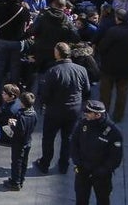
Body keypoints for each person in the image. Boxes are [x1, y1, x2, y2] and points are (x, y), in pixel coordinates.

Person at [35, 41, 91, 175]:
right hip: (74, 110)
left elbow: (45, 93)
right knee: (68, 138)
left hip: (55, 110)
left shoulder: (53, 71)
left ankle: (45, 163)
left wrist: (42, 104)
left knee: (48, 138)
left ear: (57, 53)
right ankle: (64, 164)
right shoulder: (81, 70)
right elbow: (87, 90)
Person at [70, 100, 123, 205]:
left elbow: (115, 158)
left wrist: (101, 170)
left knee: (103, 200)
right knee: (81, 199)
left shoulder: (113, 132)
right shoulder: (83, 123)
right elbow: (74, 143)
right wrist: (78, 162)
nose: (85, 114)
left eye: (89, 112)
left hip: (101, 175)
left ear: (98, 115)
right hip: (83, 170)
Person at [94, 8, 128, 122]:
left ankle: (103, 115)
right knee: (122, 93)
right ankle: (118, 116)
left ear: (117, 18)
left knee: (105, 93)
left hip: (109, 68)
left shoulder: (112, 31)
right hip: (127, 68)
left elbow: (102, 47)